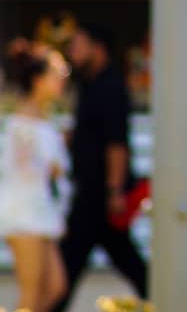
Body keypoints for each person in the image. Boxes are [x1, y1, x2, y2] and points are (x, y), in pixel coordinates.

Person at [51, 24, 147, 312]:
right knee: (124, 259)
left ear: (98, 48)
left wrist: (115, 190)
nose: (73, 52)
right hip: (92, 191)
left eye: (79, 45)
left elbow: (117, 145)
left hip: (100, 194)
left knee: (70, 262)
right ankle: (165, 298)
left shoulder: (110, 87)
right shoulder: (87, 85)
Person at [1, 41, 70, 311]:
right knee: (31, 293)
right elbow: (25, 170)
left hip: (41, 213)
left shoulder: (43, 119)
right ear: (38, 80)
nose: (62, 81)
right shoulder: (22, 124)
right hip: (25, 214)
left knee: (54, 287)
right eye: (57, 74)